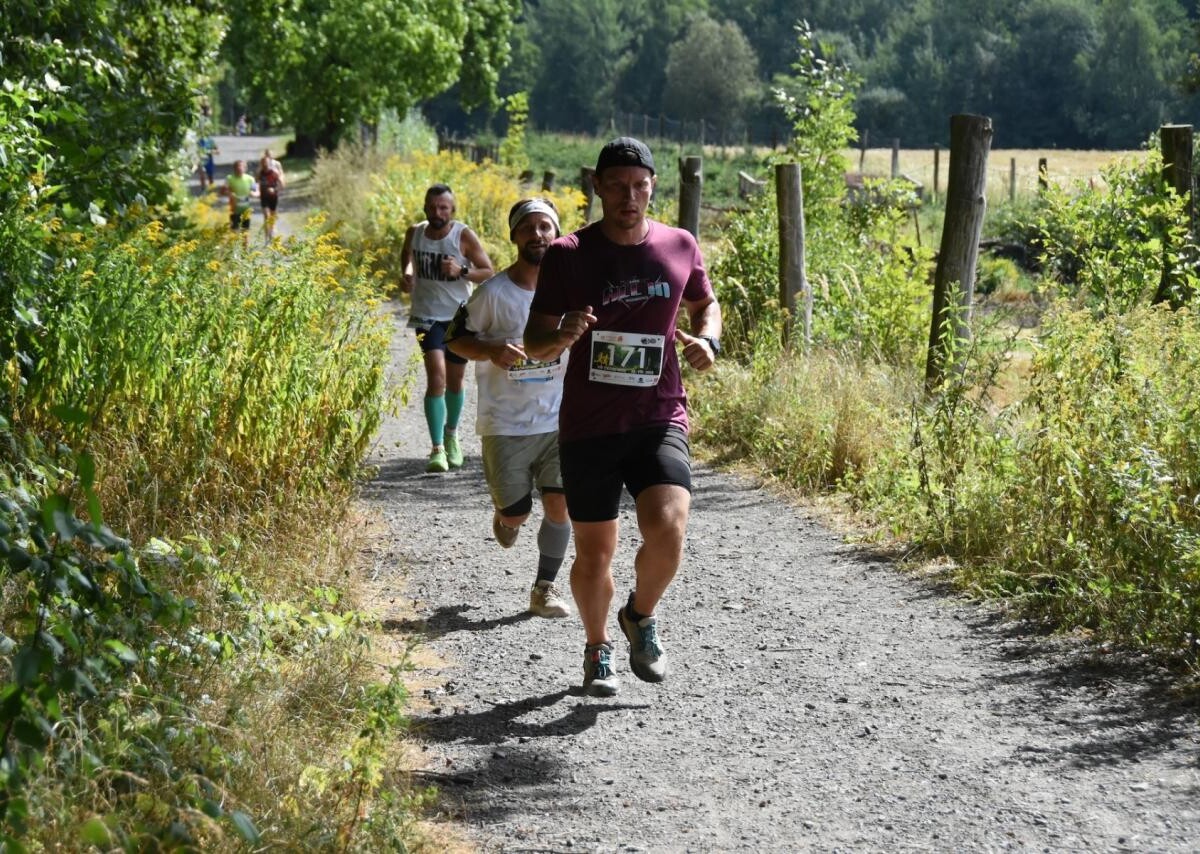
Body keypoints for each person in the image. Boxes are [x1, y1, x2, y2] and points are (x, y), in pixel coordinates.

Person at [523, 137, 722, 697]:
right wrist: (559, 335)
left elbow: (706, 303)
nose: (628, 196)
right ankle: (596, 647)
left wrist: (709, 340)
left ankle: (639, 615)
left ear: (652, 186)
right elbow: (534, 337)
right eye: (616, 186)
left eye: (639, 186)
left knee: (669, 527)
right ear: (597, 188)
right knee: (595, 553)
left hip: (659, 414)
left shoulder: (679, 245)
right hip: (589, 425)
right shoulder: (568, 254)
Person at [445, 199, 572, 619]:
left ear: (557, 233)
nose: (538, 235)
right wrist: (491, 350)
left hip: (558, 419)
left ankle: (544, 588)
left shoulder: (571, 293)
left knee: (560, 505)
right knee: (516, 514)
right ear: (514, 235)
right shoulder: (493, 293)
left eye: (546, 227)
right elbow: (454, 340)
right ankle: (507, 516)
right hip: (506, 424)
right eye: (529, 228)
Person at [400, 184, 495, 473]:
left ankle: (452, 435)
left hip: (458, 318)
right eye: (432, 207)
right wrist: (406, 274)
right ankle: (437, 448)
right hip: (425, 317)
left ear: (452, 209)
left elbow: (488, 272)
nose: (437, 212)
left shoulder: (462, 235)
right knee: (437, 377)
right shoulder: (415, 232)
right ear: (425, 207)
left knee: (455, 381)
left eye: (443, 207)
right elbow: (406, 257)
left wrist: (461, 271)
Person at [225, 159, 258, 244]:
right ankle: (233, 253)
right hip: (234, 208)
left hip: (246, 209)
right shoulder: (229, 178)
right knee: (234, 232)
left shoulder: (250, 179)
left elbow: (257, 192)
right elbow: (222, 191)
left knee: (245, 233)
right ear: (234, 168)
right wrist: (230, 193)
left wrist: (254, 194)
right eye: (237, 167)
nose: (239, 169)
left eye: (241, 167)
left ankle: (245, 254)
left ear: (245, 168)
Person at [257, 150, 285, 241]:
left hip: (273, 196)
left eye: (266, 162)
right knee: (266, 215)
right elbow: (256, 183)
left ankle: (272, 230)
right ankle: (266, 237)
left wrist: (275, 189)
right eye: (263, 163)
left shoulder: (275, 171)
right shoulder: (259, 172)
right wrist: (256, 191)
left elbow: (282, 184)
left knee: (272, 216)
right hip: (264, 196)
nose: (265, 164)